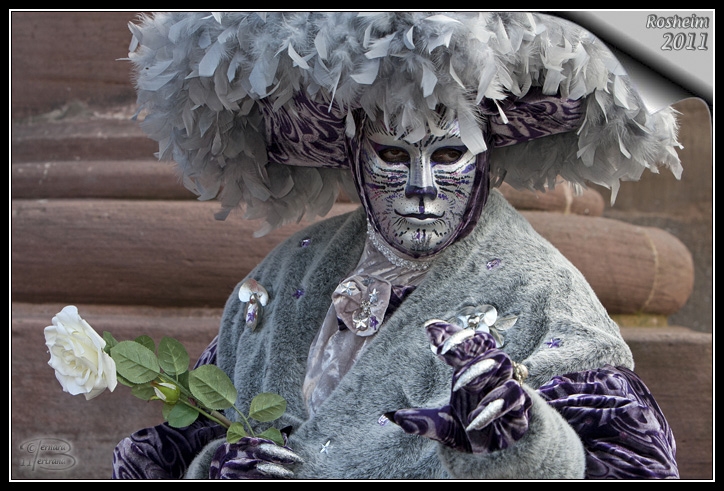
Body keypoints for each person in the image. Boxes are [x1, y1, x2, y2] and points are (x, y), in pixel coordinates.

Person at [113, 11, 682, 479]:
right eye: (392, 155)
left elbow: (634, 464)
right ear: (354, 158)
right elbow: (187, 438)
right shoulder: (287, 274)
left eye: (448, 155)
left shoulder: (542, 294)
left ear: (484, 159)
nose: (421, 187)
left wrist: (518, 446)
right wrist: (214, 469)